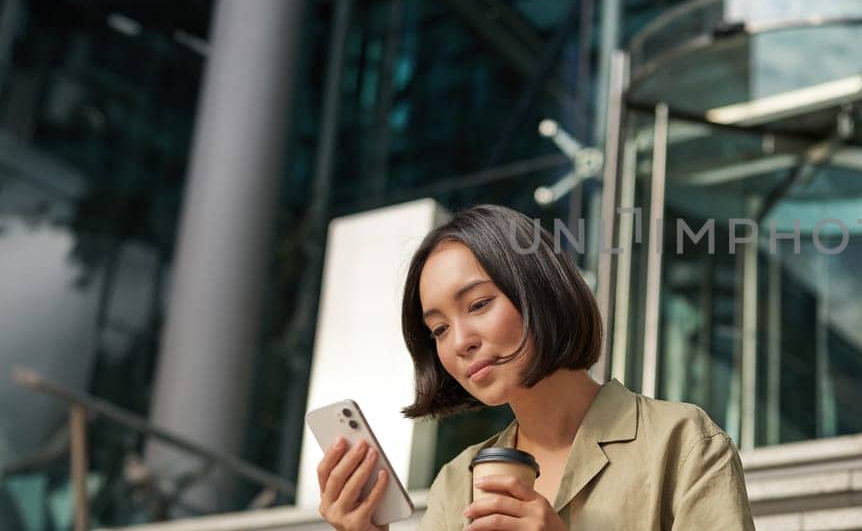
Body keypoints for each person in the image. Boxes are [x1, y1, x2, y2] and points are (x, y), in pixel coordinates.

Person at [316, 205, 755, 530]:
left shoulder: (679, 442)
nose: (460, 341)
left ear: (539, 290)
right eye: (438, 329)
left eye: (480, 304)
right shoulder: (457, 482)